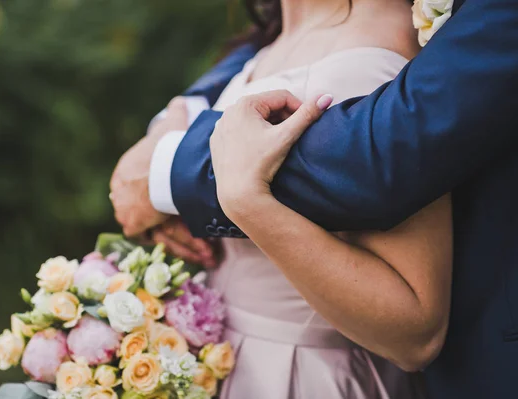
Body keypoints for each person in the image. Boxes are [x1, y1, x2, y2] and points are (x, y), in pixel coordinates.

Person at [112, 0, 518, 398]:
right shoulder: (268, 44)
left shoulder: (375, 58)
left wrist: (246, 202)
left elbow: (416, 334)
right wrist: (167, 135)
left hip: (306, 377)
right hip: (224, 365)